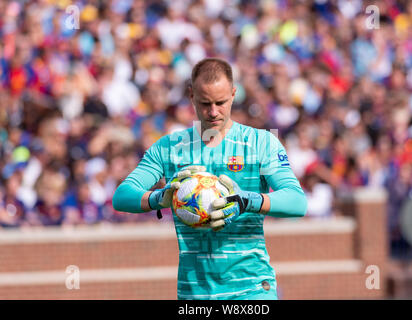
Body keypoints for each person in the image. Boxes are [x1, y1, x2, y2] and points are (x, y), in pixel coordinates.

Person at [112, 58, 307, 300]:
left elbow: (297, 202)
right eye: (205, 103)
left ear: (234, 94)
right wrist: (160, 198)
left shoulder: (261, 143)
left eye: (221, 102)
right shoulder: (169, 147)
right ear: (191, 95)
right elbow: (121, 196)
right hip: (194, 293)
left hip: (252, 289)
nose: (213, 112)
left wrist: (248, 201)